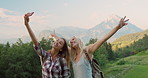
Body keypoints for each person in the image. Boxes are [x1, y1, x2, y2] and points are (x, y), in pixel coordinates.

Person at [24, 12, 71, 78]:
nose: (57, 42)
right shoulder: (45, 55)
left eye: (60, 43)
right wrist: (27, 25)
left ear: (61, 49)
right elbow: (36, 43)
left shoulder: (62, 61)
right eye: (57, 40)